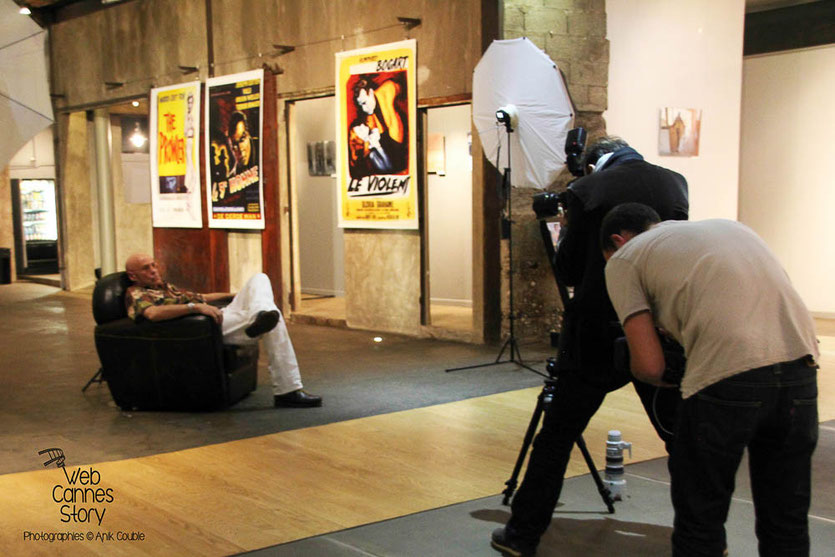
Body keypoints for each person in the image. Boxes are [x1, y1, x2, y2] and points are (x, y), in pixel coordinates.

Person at [492, 137, 689, 557]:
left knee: (558, 435)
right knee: (680, 437)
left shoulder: (586, 191)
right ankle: (704, 538)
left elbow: (567, 268)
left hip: (596, 330)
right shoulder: (676, 184)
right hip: (659, 326)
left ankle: (523, 535)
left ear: (590, 163)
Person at [601, 203, 819, 556]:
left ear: (617, 242)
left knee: (700, 519)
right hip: (801, 368)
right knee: (786, 520)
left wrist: (656, 368)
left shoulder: (624, 260)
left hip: (727, 377)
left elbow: (650, 366)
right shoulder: (731, 228)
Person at [124, 253, 322, 408]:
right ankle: (288, 390)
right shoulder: (137, 292)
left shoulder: (165, 287)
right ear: (133, 275)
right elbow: (153, 314)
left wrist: (235, 295)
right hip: (204, 327)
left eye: (153, 265)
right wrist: (194, 308)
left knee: (259, 280)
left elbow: (201, 296)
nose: (153, 270)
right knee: (274, 319)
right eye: (145, 268)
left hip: (220, 316)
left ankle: (260, 316)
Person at [348, 76, 408, 178]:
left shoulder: (388, 90)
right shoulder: (368, 117)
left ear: (371, 92)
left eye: (364, 103)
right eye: (361, 105)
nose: (364, 108)